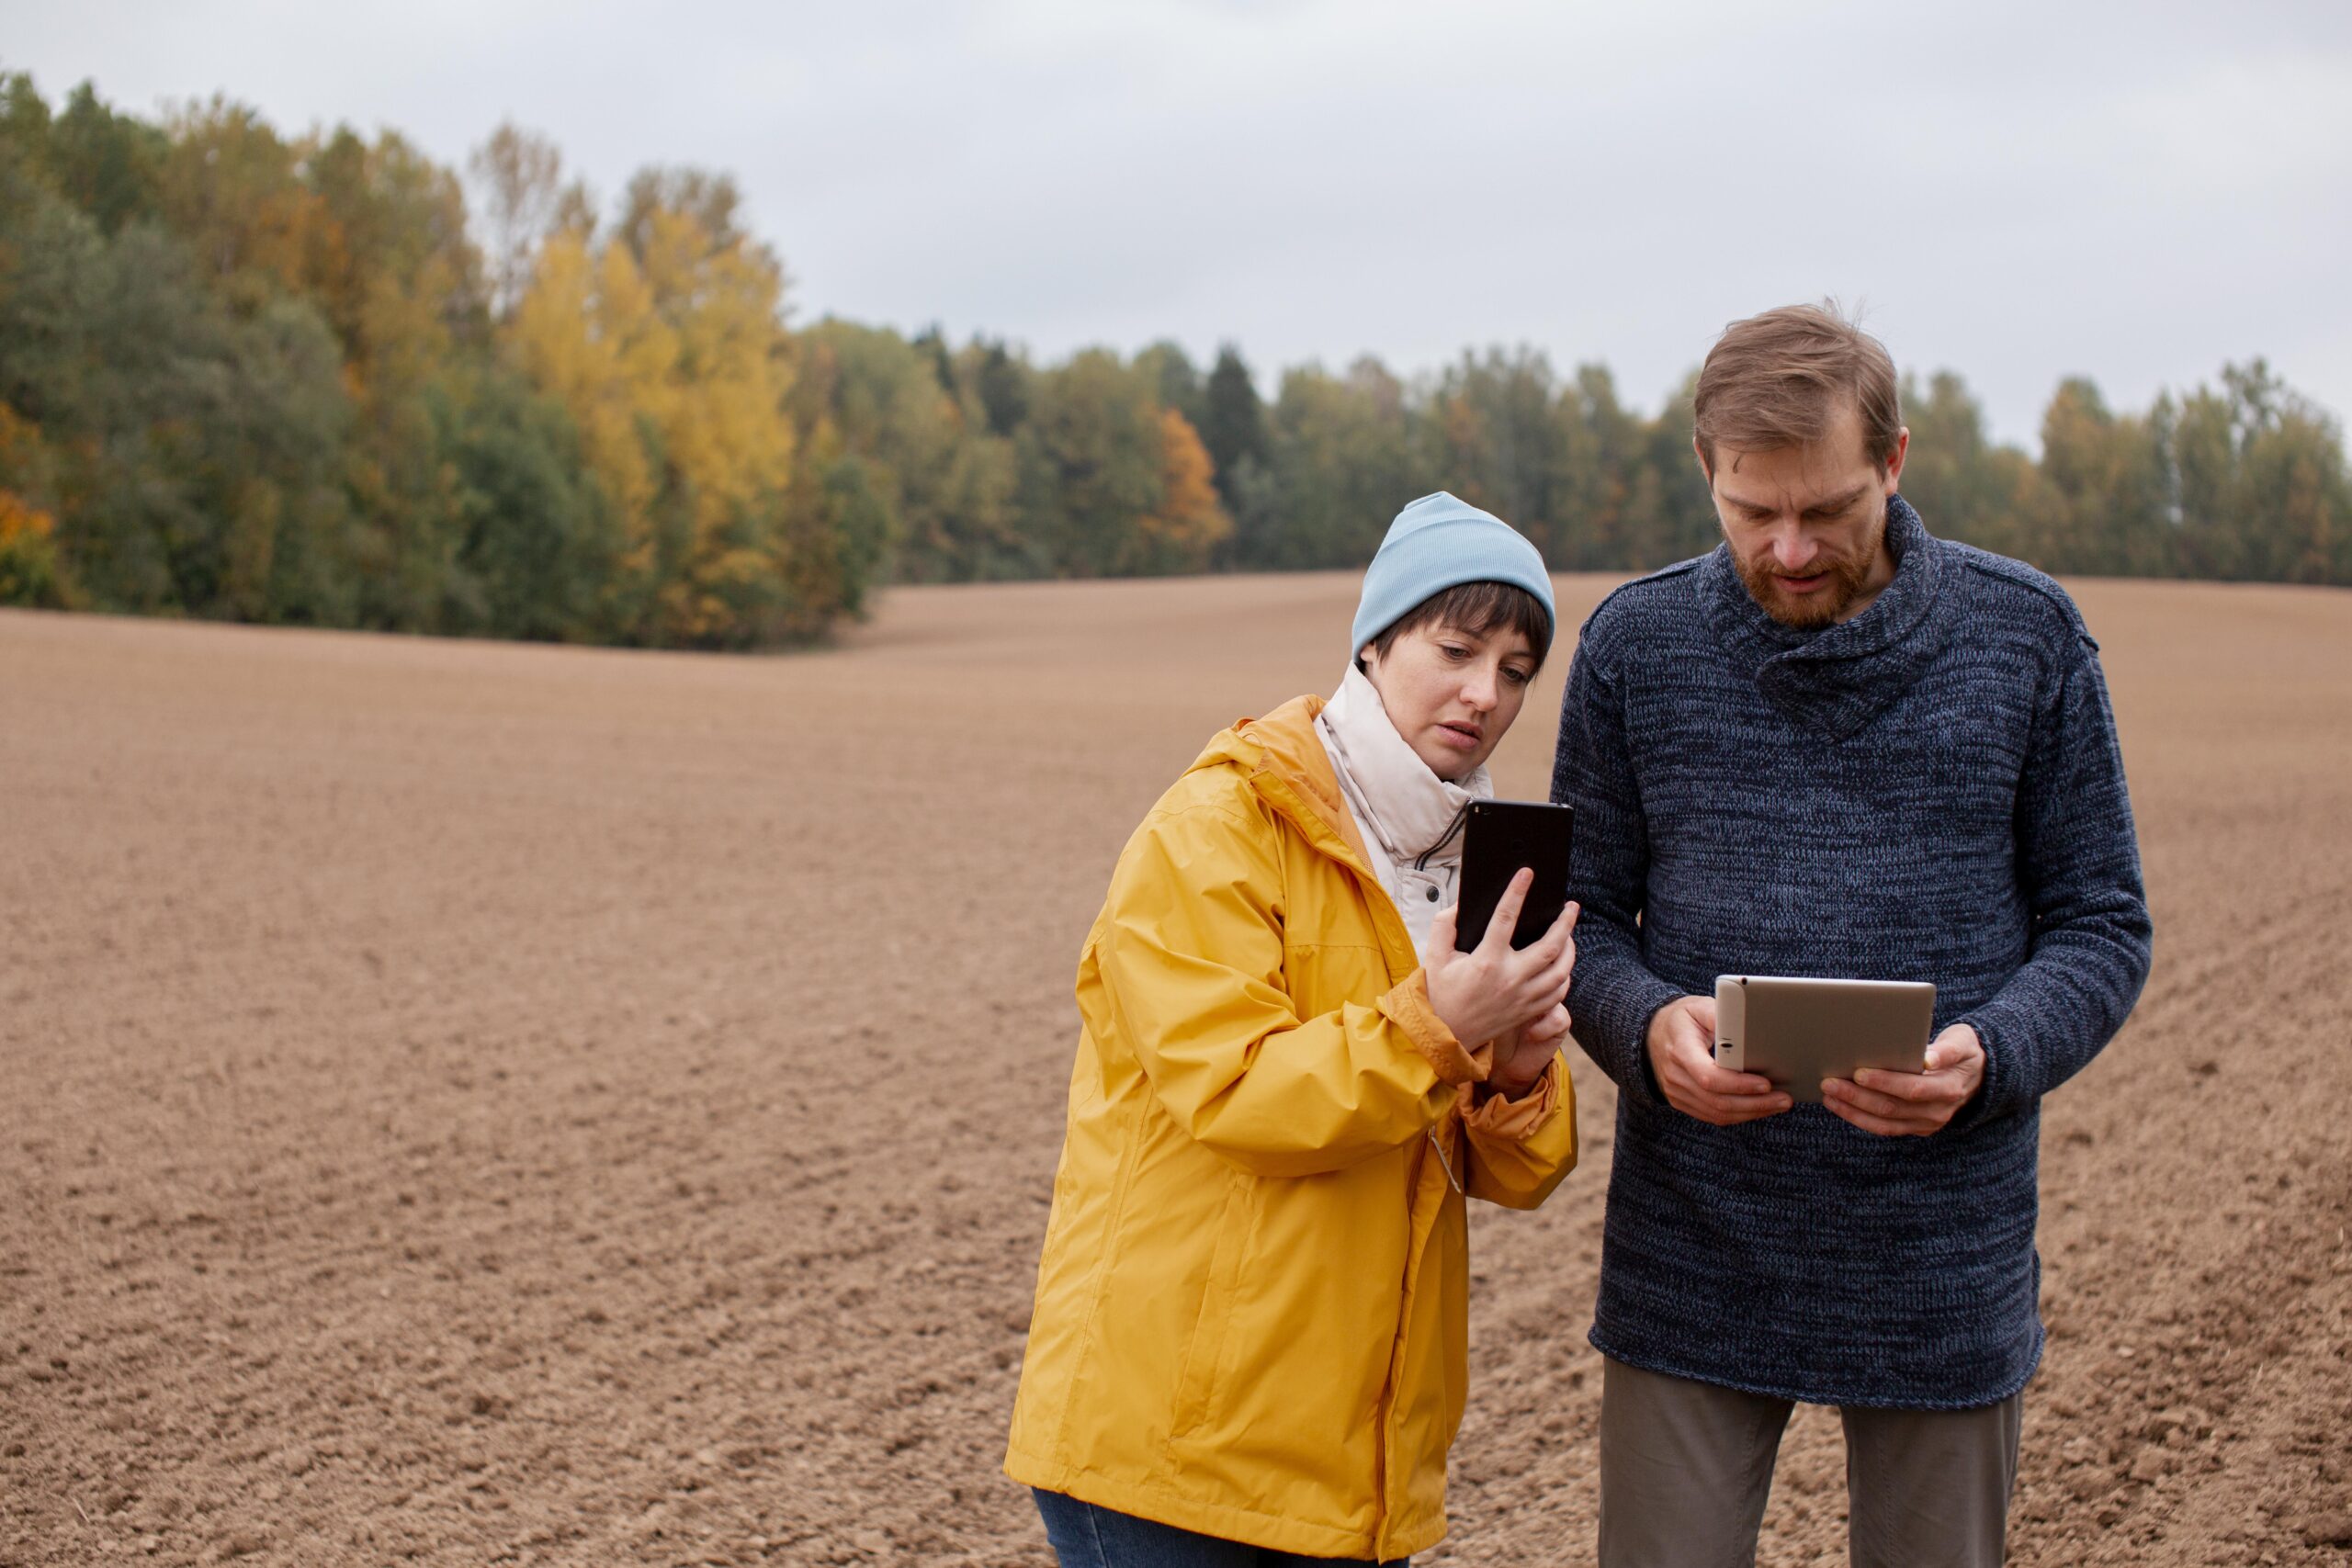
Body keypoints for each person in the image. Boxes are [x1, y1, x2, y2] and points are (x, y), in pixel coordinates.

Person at [1552, 303, 2154, 1568]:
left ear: (1894, 459)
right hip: (1694, 1252)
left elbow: (2102, 922)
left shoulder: (2025, 639)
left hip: (1943, 1259)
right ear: (1705, 473)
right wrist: (1642, 1023)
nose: (1787, 547)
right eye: (1748, 509)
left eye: (1824, 509)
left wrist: (1989, 1053)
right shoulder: (1633, 650)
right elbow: (1585, 919)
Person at [1006, 493, 1582, 1566]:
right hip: (1177, 1455)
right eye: (1454, 648)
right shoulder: (1218, 828)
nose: (1484, 693)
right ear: (1372, 642)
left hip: (1348, 1468)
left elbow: (1514, 1176)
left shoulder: (1459, 859)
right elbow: (1242, 1095)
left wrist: (1515, 1075)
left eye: (1514, 671)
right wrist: (1434, 1030)